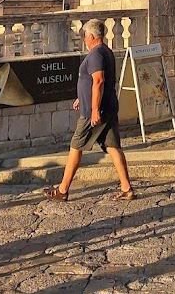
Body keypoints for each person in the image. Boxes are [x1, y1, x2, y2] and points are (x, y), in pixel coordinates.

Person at [43, 19, 134, 202]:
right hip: (107, 106)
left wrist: (93, 109)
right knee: (113, 147)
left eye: (84, 36)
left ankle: (63, 189)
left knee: (76, 146)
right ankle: (126, 188)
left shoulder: (95, 54)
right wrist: (81, 97)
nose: (84, 39)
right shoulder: (105, 52)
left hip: (95, 111)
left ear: (92, 36)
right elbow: (94, 82)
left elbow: (98, 81)